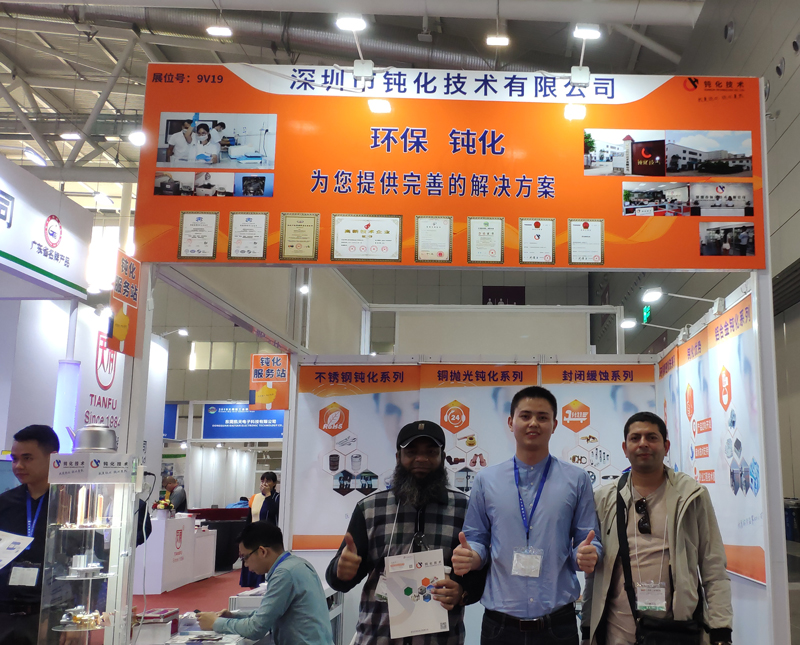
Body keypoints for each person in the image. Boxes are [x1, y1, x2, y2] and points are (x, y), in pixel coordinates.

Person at [453, 386, 601, 645]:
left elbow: (587, 539)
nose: (534, 423)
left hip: (558, 625)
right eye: (525, 416)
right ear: (511, 422)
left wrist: (588, 554)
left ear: (554, 425)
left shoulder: (577, 480)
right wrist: (472, 557)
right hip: (500, 627)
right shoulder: (486, 480)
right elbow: (476, 539)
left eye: (543, 417)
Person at [326, 420, 486, 644]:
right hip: (378, 638)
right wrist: (341, 572)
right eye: (411, 452)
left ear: (442, 457)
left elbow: (480, 578)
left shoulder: (464, 509)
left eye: (431, 452)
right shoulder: (370, 509)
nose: (421, 459)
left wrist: (462, 592)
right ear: (398, 457)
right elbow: (338, 580)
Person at [581, 412, 732, 645]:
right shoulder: (604, 498)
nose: (643, 443)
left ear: (666, 446)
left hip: (677, 631)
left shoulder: (691, 496)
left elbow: (713, 567)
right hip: (617, 633)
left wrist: (721, 630)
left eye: (651, 437)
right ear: (625, 448)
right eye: (635, 438)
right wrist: (587, 626)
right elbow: (595, 576)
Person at [197, 522, 333, 644]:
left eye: (244, 557)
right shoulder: (297, 565)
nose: (245, 565)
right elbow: (269, 614)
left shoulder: (284, 574)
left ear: (262, 551)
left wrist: (215, 623)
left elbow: (256, 629)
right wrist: (233, 616)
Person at [0, 425, 60, 645]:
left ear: (53, 458)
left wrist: (72, 619)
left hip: (50, 613)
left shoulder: (70, 503)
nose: (18, 466)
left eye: (27, 458)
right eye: (14, 459)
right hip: (5, 611)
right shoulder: (5, 503)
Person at [240, 472, 281, 588]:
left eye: (268, 481)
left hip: (267, 538)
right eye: (262, 481)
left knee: (262, 568)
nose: (264, 484)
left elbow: (274, 512)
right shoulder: (255, 497)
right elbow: (249, 518)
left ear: (274, 483)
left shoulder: (277, 497)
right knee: (251, 568)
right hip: (253, 535)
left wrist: (268, 495)